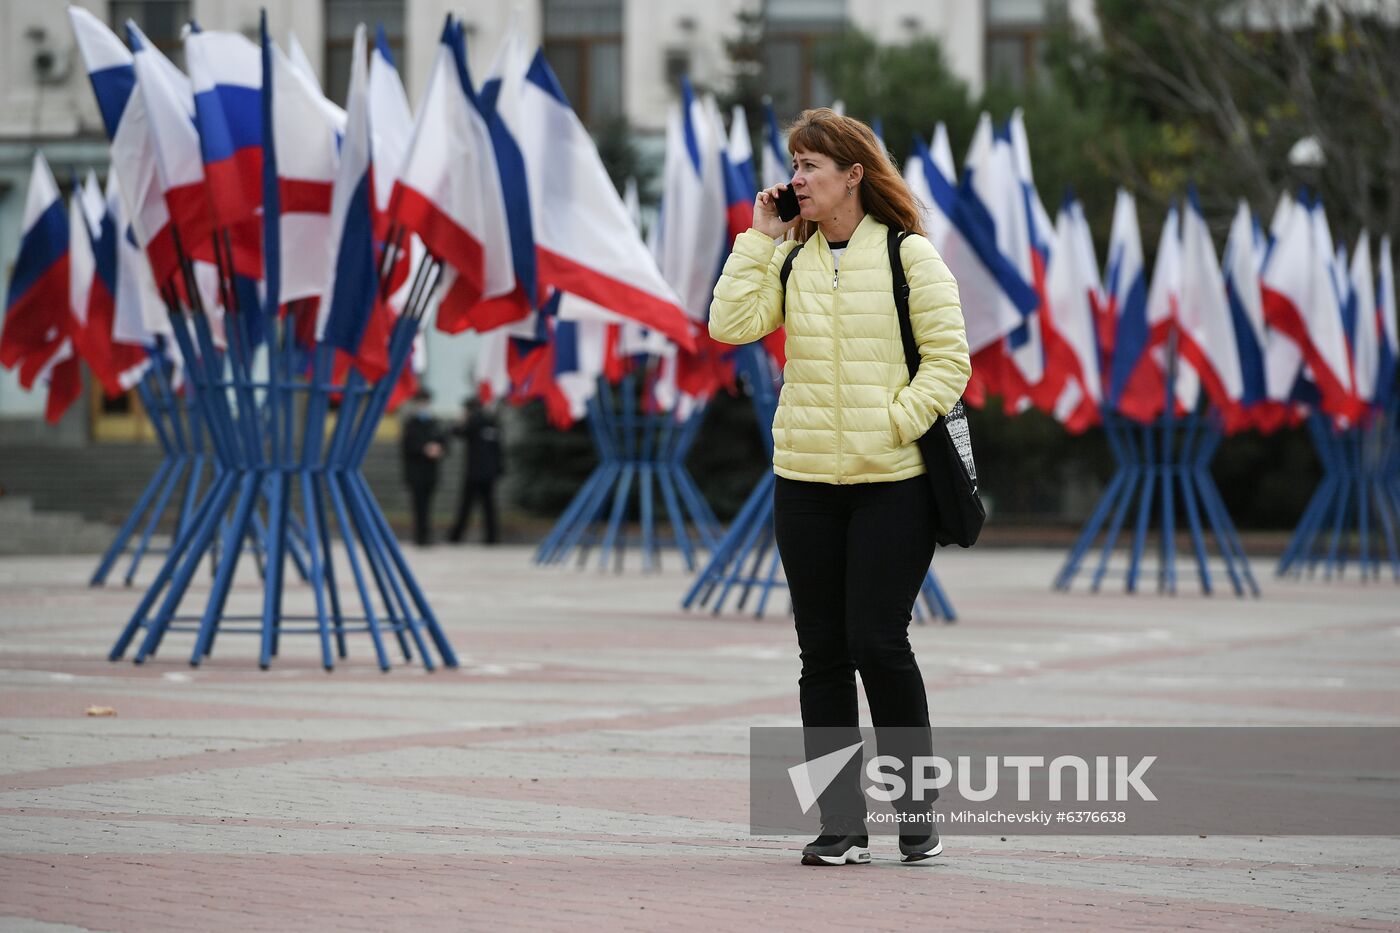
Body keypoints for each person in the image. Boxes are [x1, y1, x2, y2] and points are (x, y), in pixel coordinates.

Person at [709, 109, 970, 866]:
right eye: (793, 166)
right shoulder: (791, 258)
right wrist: (759, 237)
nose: (795, 180)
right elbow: (730, 325)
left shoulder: (909, 256)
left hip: (893, 482)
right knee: (820, 652)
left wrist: (893, 423)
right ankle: (841, 823)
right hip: (804, 483)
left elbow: (950, 362)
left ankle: (916, 812)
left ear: (853, 174)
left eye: (809, 167)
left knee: (877, 642)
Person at [448, 397, 504, 544]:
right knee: (488, 506)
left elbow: (456, 432)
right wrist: (499, 470)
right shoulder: (491, 422)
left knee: (467, 505)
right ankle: (491, 538)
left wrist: (461, 420)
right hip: (489, 473)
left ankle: (456, 537)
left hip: (474, 473)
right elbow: (498, 449)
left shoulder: (473, 422)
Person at [400, 388, 446, 546]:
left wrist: (439, 449)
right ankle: (419, 536)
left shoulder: (435, 423)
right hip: (415, 472)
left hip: (430, 472)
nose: (423, 405)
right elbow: (407, 446)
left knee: (428, 505)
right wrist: (424, 449)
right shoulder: (410, 424)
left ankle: (427, 534)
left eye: (425, 402)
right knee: (418, 504)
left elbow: (444, 443)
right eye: (420, 402)